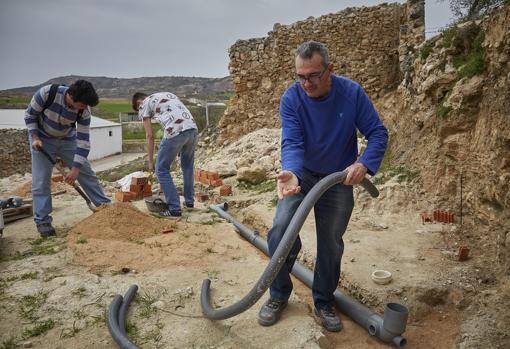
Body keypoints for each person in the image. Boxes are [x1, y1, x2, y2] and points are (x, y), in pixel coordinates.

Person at [257, 41, 388, 332]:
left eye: (313, 75)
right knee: (280, 230)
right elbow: (292, 140)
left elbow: (378, 133)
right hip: (302, 176)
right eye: (300, 76)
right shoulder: (291, 98)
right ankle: (278, 295)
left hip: (338, 179)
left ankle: (324, 301)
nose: (306, 83)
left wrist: (364, 163)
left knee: (331, 242)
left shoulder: (351, 94)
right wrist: (290, 172)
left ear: (329, 69)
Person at [25, 80, 111, 238]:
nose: (84, 108)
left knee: (86, 172)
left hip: (67, 139)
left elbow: (83, 141)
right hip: (42, 139)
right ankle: (43, 221)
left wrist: (75, 169)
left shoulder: (84, 111)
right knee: (41, 180)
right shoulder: (46, 94)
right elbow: (30, 116)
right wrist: (35, 137)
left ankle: (105, 207)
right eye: (82, 104)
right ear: (71, 96)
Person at [132, 92, 198, 219]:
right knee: (187, 167)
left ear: (139, 103)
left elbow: (149, 136)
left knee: (161, 169)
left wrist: (151, 163)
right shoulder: (167, 95)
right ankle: (189, 202)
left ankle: (174, 208)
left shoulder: (144, 104)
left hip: (175, 131)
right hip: (192, 129)